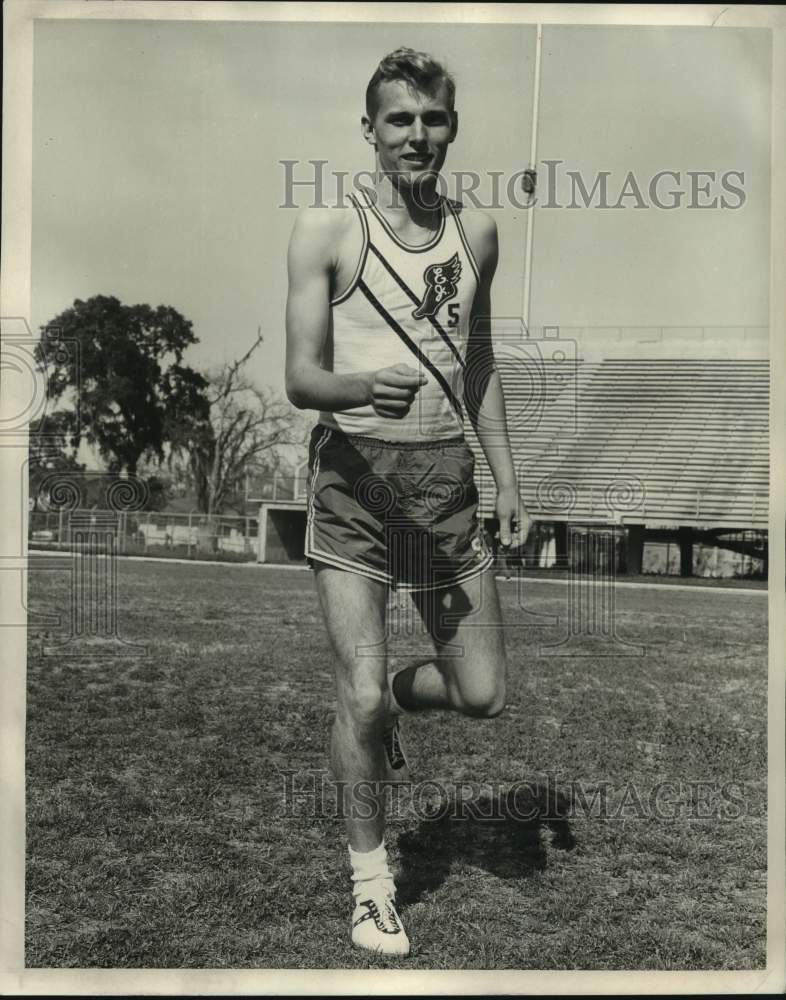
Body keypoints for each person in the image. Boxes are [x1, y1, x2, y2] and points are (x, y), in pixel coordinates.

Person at [285, 47, 531, 956]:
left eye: (432, 119)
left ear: (452, 127)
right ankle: (371, 885)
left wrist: (506, 477)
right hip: (355, 483)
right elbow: (299, 377)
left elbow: (480, 365)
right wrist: (358, 390)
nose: (416, 136)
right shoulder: (326, 231)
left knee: (483, 693)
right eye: (399, 120)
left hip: (445, 491)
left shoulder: (480, 235)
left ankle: (388, 701)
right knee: (352, 692)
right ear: (369, 130)